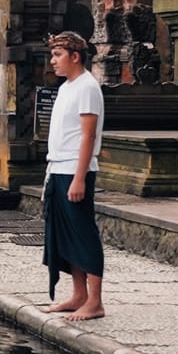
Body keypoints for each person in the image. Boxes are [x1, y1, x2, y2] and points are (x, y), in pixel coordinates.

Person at [42, 31, 106, 320]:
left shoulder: (87, 87)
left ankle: (95, 301)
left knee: (82, 233)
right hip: (58, 169)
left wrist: (79, 178)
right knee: (65, 236)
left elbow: (88, 136)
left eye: (58, 55)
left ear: (75, 56)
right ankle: (78, 294)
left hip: (75, 170)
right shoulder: (67, 86)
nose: (53, 61)